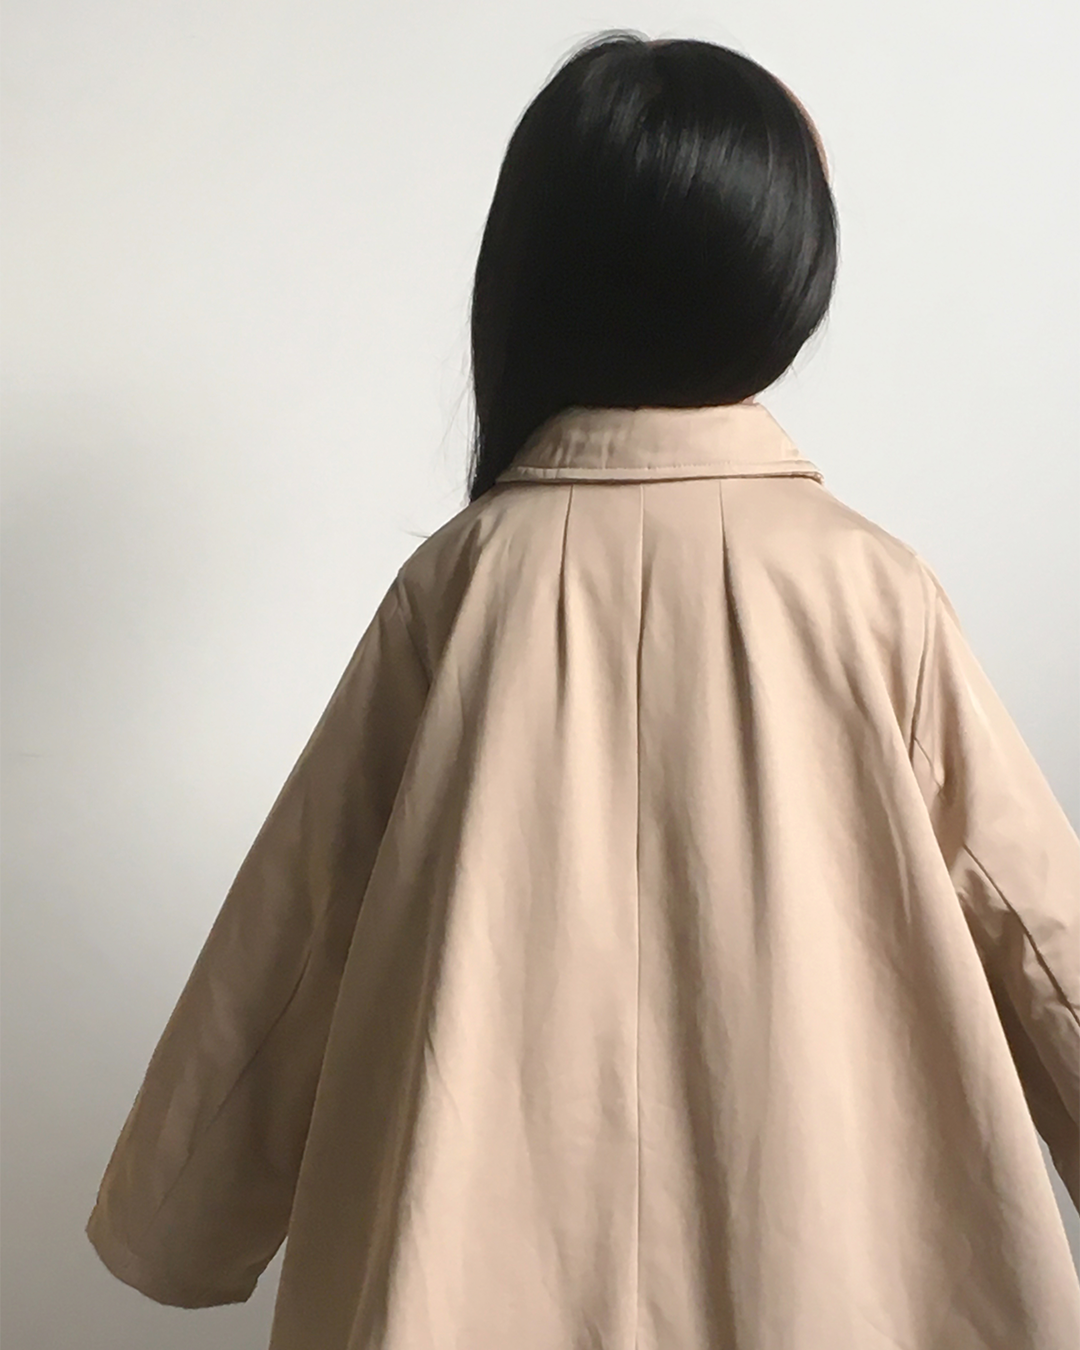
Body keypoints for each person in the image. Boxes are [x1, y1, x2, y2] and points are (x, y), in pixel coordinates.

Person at [86, 30, 1080, 1350]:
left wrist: (178, 1217)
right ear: (782, 271)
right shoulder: (870, 590)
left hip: (473, 1286)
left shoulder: (461, 589)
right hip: (834, 1282)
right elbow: (1035, 924)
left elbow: (305, 935)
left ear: (538, 269)